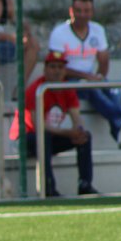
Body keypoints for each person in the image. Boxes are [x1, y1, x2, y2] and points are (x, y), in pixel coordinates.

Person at [48, 0, 121, 149]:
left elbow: (104, 59)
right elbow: (55, 69)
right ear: (71, 11)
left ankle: (119, 130)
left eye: (86, 11)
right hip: (68, 82)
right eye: (78, 11)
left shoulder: (97, 30)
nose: (82, 15)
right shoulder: (59, 33)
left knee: (113, 90)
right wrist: (88, 77)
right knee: (92, 88)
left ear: (92, 12)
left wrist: (99, 76)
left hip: (89, 79)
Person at [10, 50, 98, 197]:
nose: (57, 71)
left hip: (48, 137)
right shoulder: (36, 90)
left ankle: (85, 185)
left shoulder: (67, 88)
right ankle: (48, 187)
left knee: (84, 137)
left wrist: (79, 130)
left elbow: (76, 117)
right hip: (25, 139)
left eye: (60, 67)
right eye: (53, 67)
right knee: (44, 137)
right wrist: (68, 132)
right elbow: (38, 125)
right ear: (45, 69)